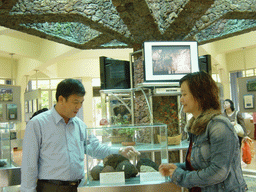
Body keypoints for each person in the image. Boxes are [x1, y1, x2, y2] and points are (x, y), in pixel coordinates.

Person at [21, 79, 140, 192]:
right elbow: (29, 164)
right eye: (75, 102)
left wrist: (120, 151)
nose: (79, 107)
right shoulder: (37, 124)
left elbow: (95, 148)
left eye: (81, 102)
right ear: (61, 99)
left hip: (79, 187)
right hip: (51, 188)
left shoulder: (80, 125)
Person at [159, 71, 247, 192]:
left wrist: (180, 175)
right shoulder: (197, 127)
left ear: (200, 96)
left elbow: (218, 172)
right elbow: (200, 165)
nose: (181, 100)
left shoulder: (219, 126)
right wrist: (175, 168)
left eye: (184, 94)